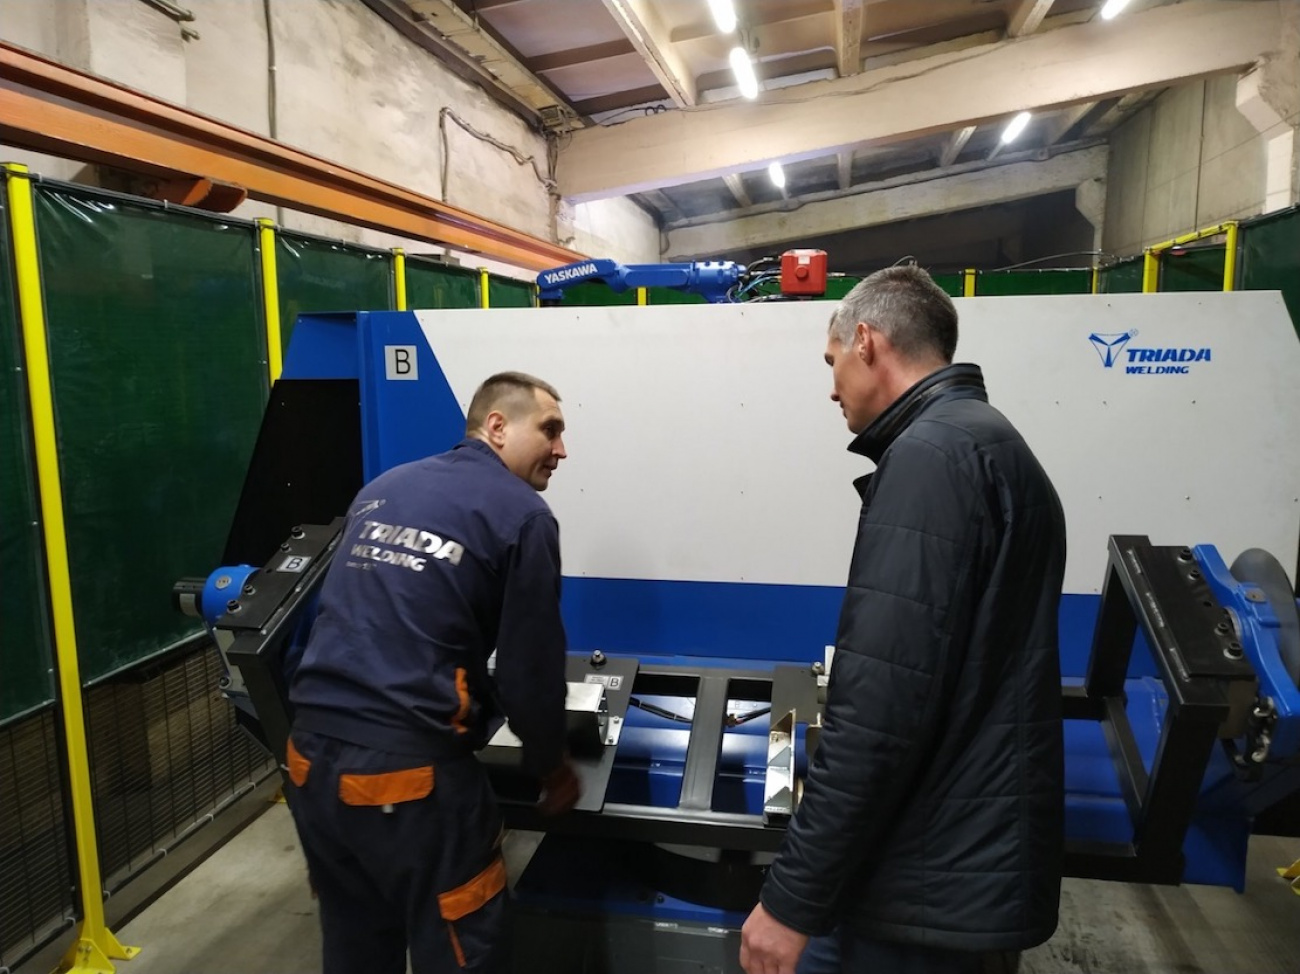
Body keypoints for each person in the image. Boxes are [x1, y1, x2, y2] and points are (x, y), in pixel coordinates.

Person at [740, 265, 1067, 974]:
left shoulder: (928, 460)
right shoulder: (991, 442)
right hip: (965, 876)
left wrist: (792, 899)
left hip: (922, 885)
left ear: (866, 342)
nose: (832, 388)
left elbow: (879, 711)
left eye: (832, 362)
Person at [284, 371, 580, 974]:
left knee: (356, 941)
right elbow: (529, 672)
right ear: (497, 426)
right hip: (408, 781)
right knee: (462, 944)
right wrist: (552, 767)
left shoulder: (383, 488)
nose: (561, 449)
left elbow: (318, 623)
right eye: (550, 430)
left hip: (309, 763)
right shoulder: (524, 515)